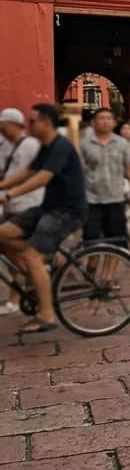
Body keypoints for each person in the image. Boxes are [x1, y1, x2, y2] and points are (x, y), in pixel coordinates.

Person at [0, 103, 88, 333]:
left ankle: (47, 315)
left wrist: (8, 195)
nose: (29, 125)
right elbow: (27, 172)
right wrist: (2, 186)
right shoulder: (46, 146)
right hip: (48, 207)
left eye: (33, 121)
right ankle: (37, 275)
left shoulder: (60, 146)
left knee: (32, 254)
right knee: (2, 235)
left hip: (67, 211)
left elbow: (41, 178)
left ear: (46, 122)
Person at [0, 108, 43, 315]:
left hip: (28, 205)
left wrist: (10, 192)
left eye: (4, 124)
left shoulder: (31, 145)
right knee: (7, 250)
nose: (1, 128)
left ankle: (36, 268)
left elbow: (35, 175)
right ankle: (17, 295)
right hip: (10, 206)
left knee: (8, 242)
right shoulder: (5, 146)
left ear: (16, 124)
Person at [80, 108, 130, 248]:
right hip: (92, 200)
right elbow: (79, 171)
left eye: (108, 118)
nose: (105, 121)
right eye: (101, 118)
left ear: (114, 123)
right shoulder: (84, 144)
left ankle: (109, 271)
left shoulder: (122, 144)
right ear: (93, 123)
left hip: (115, 198)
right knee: (91, 240)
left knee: (116, 241)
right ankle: (92, 266)